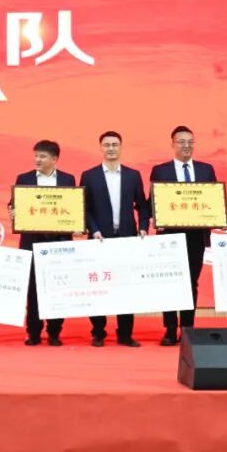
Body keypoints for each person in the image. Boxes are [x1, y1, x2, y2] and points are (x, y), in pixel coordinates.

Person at [149, 126, 218, 345]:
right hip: (169, 235)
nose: (186, 145)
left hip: (196, 235)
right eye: (181, 142)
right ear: (173, 144)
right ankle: (170, 329)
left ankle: (187, 328)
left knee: (191, 282)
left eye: (190, 142)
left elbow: (213, 200)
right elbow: (153, 201)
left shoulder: (206, 170)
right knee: (170, 281)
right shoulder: (160, 171)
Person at [81, 130, 150, 347]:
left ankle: (125, 334)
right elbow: (84, 208)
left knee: (126, 286)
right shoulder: (89, 176)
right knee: (97, 286)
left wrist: (143, 227)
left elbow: (142, 206)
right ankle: (98, 332)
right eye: (107, 145)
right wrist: (93, 230)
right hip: (99, 238)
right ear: (101, 148)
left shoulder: (132, 175)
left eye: (115, 145)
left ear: (121, 147)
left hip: (126, 238)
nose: (111, 148)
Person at [10, 140, 77, 346]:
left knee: (57, 287)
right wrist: (13, 211)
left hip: (59, 241)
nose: (37, 160)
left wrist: (75, 222)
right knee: (33, 290)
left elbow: (73, 206)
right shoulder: (24, 178)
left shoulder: (67, 179)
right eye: (36, 156)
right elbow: (14, 203)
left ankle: (54, 332)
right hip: (32, 240)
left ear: (54, 159)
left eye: (42, 156)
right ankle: (33, 332)